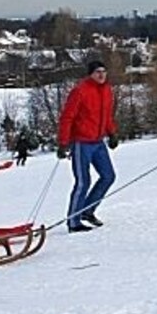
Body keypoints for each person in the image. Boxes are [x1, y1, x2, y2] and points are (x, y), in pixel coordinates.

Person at [57, 60, 118, 233]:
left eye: (104, 71)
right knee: (83, 182)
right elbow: (67, 117)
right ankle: (73, 221)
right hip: (81, 143)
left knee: (108, 176)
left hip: (98, 142)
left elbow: (106, 115)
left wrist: (112, 133)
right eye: (97, 72)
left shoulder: (106, 90)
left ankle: (87, 211)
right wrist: (63, 143)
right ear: (90, 74)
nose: (101, 75)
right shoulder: (80, 91)